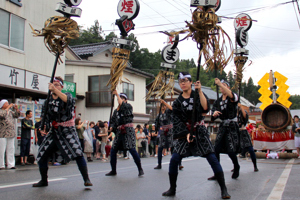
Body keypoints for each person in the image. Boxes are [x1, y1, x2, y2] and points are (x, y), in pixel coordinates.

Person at [162, 72, 230, 199]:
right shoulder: (177, 102)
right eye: (180, 81)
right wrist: (186, 133)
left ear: (191, 82)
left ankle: (223, 188)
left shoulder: (197, 94)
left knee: (212, 158)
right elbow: (176, 120)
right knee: (175, 159)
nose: (183, 83)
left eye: (185, 80)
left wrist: (199, 92)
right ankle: (172, 188)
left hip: (199, 131)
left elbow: (205, 108)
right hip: (185, 134)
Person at [33, 76, 92, 187]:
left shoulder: (67, 95)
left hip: (67, 131)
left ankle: (86, 179)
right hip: (54, 131)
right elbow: (44, 116)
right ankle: (44, 180)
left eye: (57, 85)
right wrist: (43, 126)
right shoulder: (48, 101)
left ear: (61, 87)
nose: (54, 86)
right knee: (41, 154)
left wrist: (54, 90)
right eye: (53, 84)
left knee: (78, 153)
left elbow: (68, 101)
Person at [208, 79, 240, 181]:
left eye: (224, 85)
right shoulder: (218, 101)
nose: (222, 87)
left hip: (231, 126)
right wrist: (214, 115)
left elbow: (233, 97)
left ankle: (236, 166)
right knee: (215, 149)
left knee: (231, 151)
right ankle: (217, 172)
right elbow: (212, 117)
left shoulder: (233, 97)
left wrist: (220, 83)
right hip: (222, 126)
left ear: (228, 88)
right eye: (221, 86)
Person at [105, 91, 144, 176]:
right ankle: (113, 170)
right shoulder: (116, 111)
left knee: (132, 149)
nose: (121, 100)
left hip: (128, 131)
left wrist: (116, 94)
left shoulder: (128, 107)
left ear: (126, 100)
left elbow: (122, 104)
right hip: (119, 132)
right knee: (113, 150)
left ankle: (140, 168)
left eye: (123, 98)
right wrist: (111, 127)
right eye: (120, 98)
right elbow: (113, 122)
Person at [237, 103, 258, 171]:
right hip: (236, 133)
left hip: (244, 132)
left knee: (251, 150)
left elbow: (245, 116)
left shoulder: (243, 112)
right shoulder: (232, 114)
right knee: (233, 151)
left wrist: (241, 107)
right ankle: (235, 166)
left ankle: (255, 166)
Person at [0, 100, 20, 170]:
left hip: (11, 133)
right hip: (2, 133)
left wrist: (16, 109)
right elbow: (2, 115)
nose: (8, 104)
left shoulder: (11, 112)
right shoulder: (1, 111)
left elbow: (17, 115)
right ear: (2, 105)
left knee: (11, 149)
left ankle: (11, 164)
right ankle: (1, 165)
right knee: (1, 150)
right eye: (6, 103)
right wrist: (8, 108)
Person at [154, 100, 173, 169]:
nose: (163, 107)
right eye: (162, 106)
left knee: (173, 147)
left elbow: (172, 109)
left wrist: (165, 102)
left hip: (169, 132)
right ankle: (159, 164)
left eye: (164, 106)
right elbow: (156, 123)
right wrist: (156, 129)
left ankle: (178, 163)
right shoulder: (158, 115)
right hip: (162, 133)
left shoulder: (168, 112)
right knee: (160, 148)